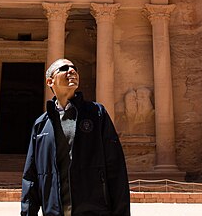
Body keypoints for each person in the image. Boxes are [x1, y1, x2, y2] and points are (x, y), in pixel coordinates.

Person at [21, 58, 130, 216]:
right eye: (64, 68)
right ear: (50, 81)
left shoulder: (96, 114)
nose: (72, 71)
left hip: (94, 211)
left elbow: (116, 168)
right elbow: (31, 177)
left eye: (75, 68)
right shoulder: (41, 125)